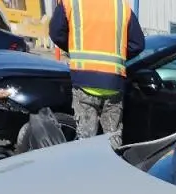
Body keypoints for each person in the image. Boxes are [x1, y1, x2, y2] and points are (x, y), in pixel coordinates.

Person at [49, 0, 146, 149]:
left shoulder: (71, 3)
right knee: (112, 140)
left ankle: (88, 163)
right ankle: (113, 161)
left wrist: (74, 49)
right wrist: (118, 56)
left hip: (84, 81)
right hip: (113, 83)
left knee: (86, 141)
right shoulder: (121, 7)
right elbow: (137, 44)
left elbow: (56, 33)